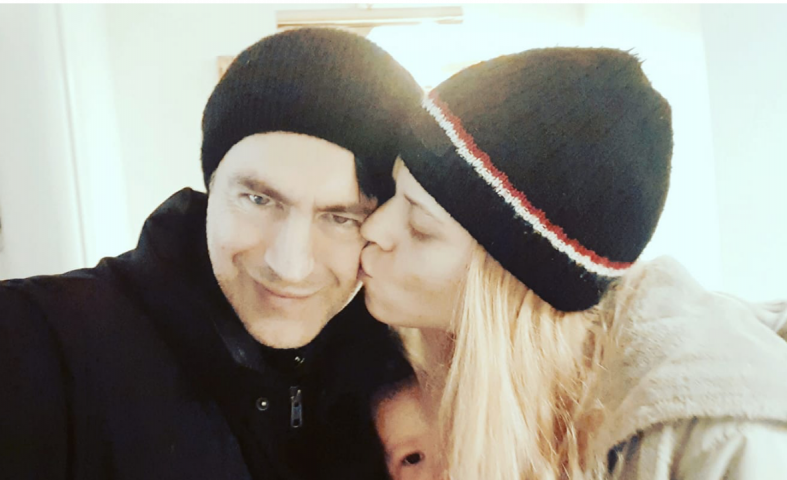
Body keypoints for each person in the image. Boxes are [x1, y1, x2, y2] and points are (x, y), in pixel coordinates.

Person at [0, 28, 421, 479]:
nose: (290, 266)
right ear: (211, 186)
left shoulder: (401, 372)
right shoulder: (36, 339)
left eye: (340, 218)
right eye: (258, 200)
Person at [360, 47, 787, 480]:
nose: (374, 228)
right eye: (394, 195)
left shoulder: (722, 444)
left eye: (420, 226)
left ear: (515, 284)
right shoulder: (442, 366)